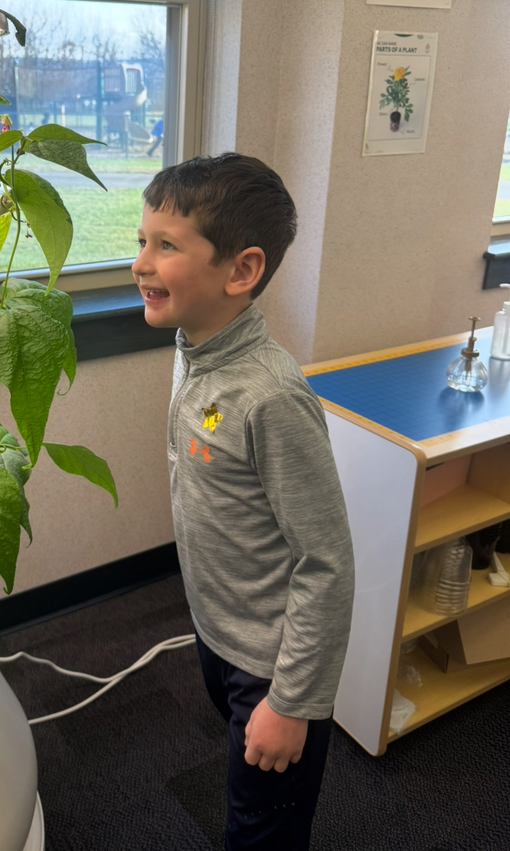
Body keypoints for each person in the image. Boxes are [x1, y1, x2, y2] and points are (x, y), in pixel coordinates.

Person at [131, 153, 354, 851]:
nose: (141, 262)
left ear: (241, 271)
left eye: (166, 246)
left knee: (261, 829)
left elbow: (328, 564)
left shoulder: (270, 397)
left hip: (271, 664)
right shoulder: (192, 345)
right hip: (217, 631)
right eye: (143, 240)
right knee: (244, 781)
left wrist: (289, 703)